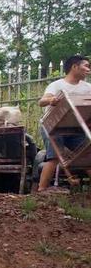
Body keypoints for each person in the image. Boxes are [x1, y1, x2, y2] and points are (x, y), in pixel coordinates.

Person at [37, 54, 91, 192]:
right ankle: (41, 191)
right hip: (53, 126)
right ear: (74, 67)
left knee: (88, 155)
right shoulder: (57, 85)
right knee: (54, 158)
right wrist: (52, 100)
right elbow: (41, 102)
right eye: (86, 66)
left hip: (75, 128)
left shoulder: (87, 87)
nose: (88, 69)